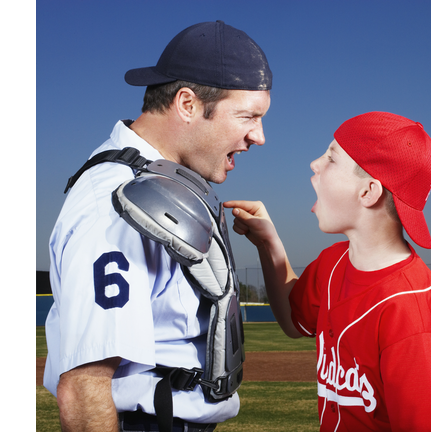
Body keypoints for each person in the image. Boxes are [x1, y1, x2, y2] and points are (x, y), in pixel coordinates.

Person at [43, 21, 272, 432]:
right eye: (248, 116)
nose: (259, 136)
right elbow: (83, 386)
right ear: (187, 104)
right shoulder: (116, 202)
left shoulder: (162, 182)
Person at [225, 111, 431, 431]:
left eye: (332, 158)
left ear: (368, 192)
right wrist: (269, 244)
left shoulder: (409, 310)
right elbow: (292, 320)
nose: (315, 163)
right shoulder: (335, 261)